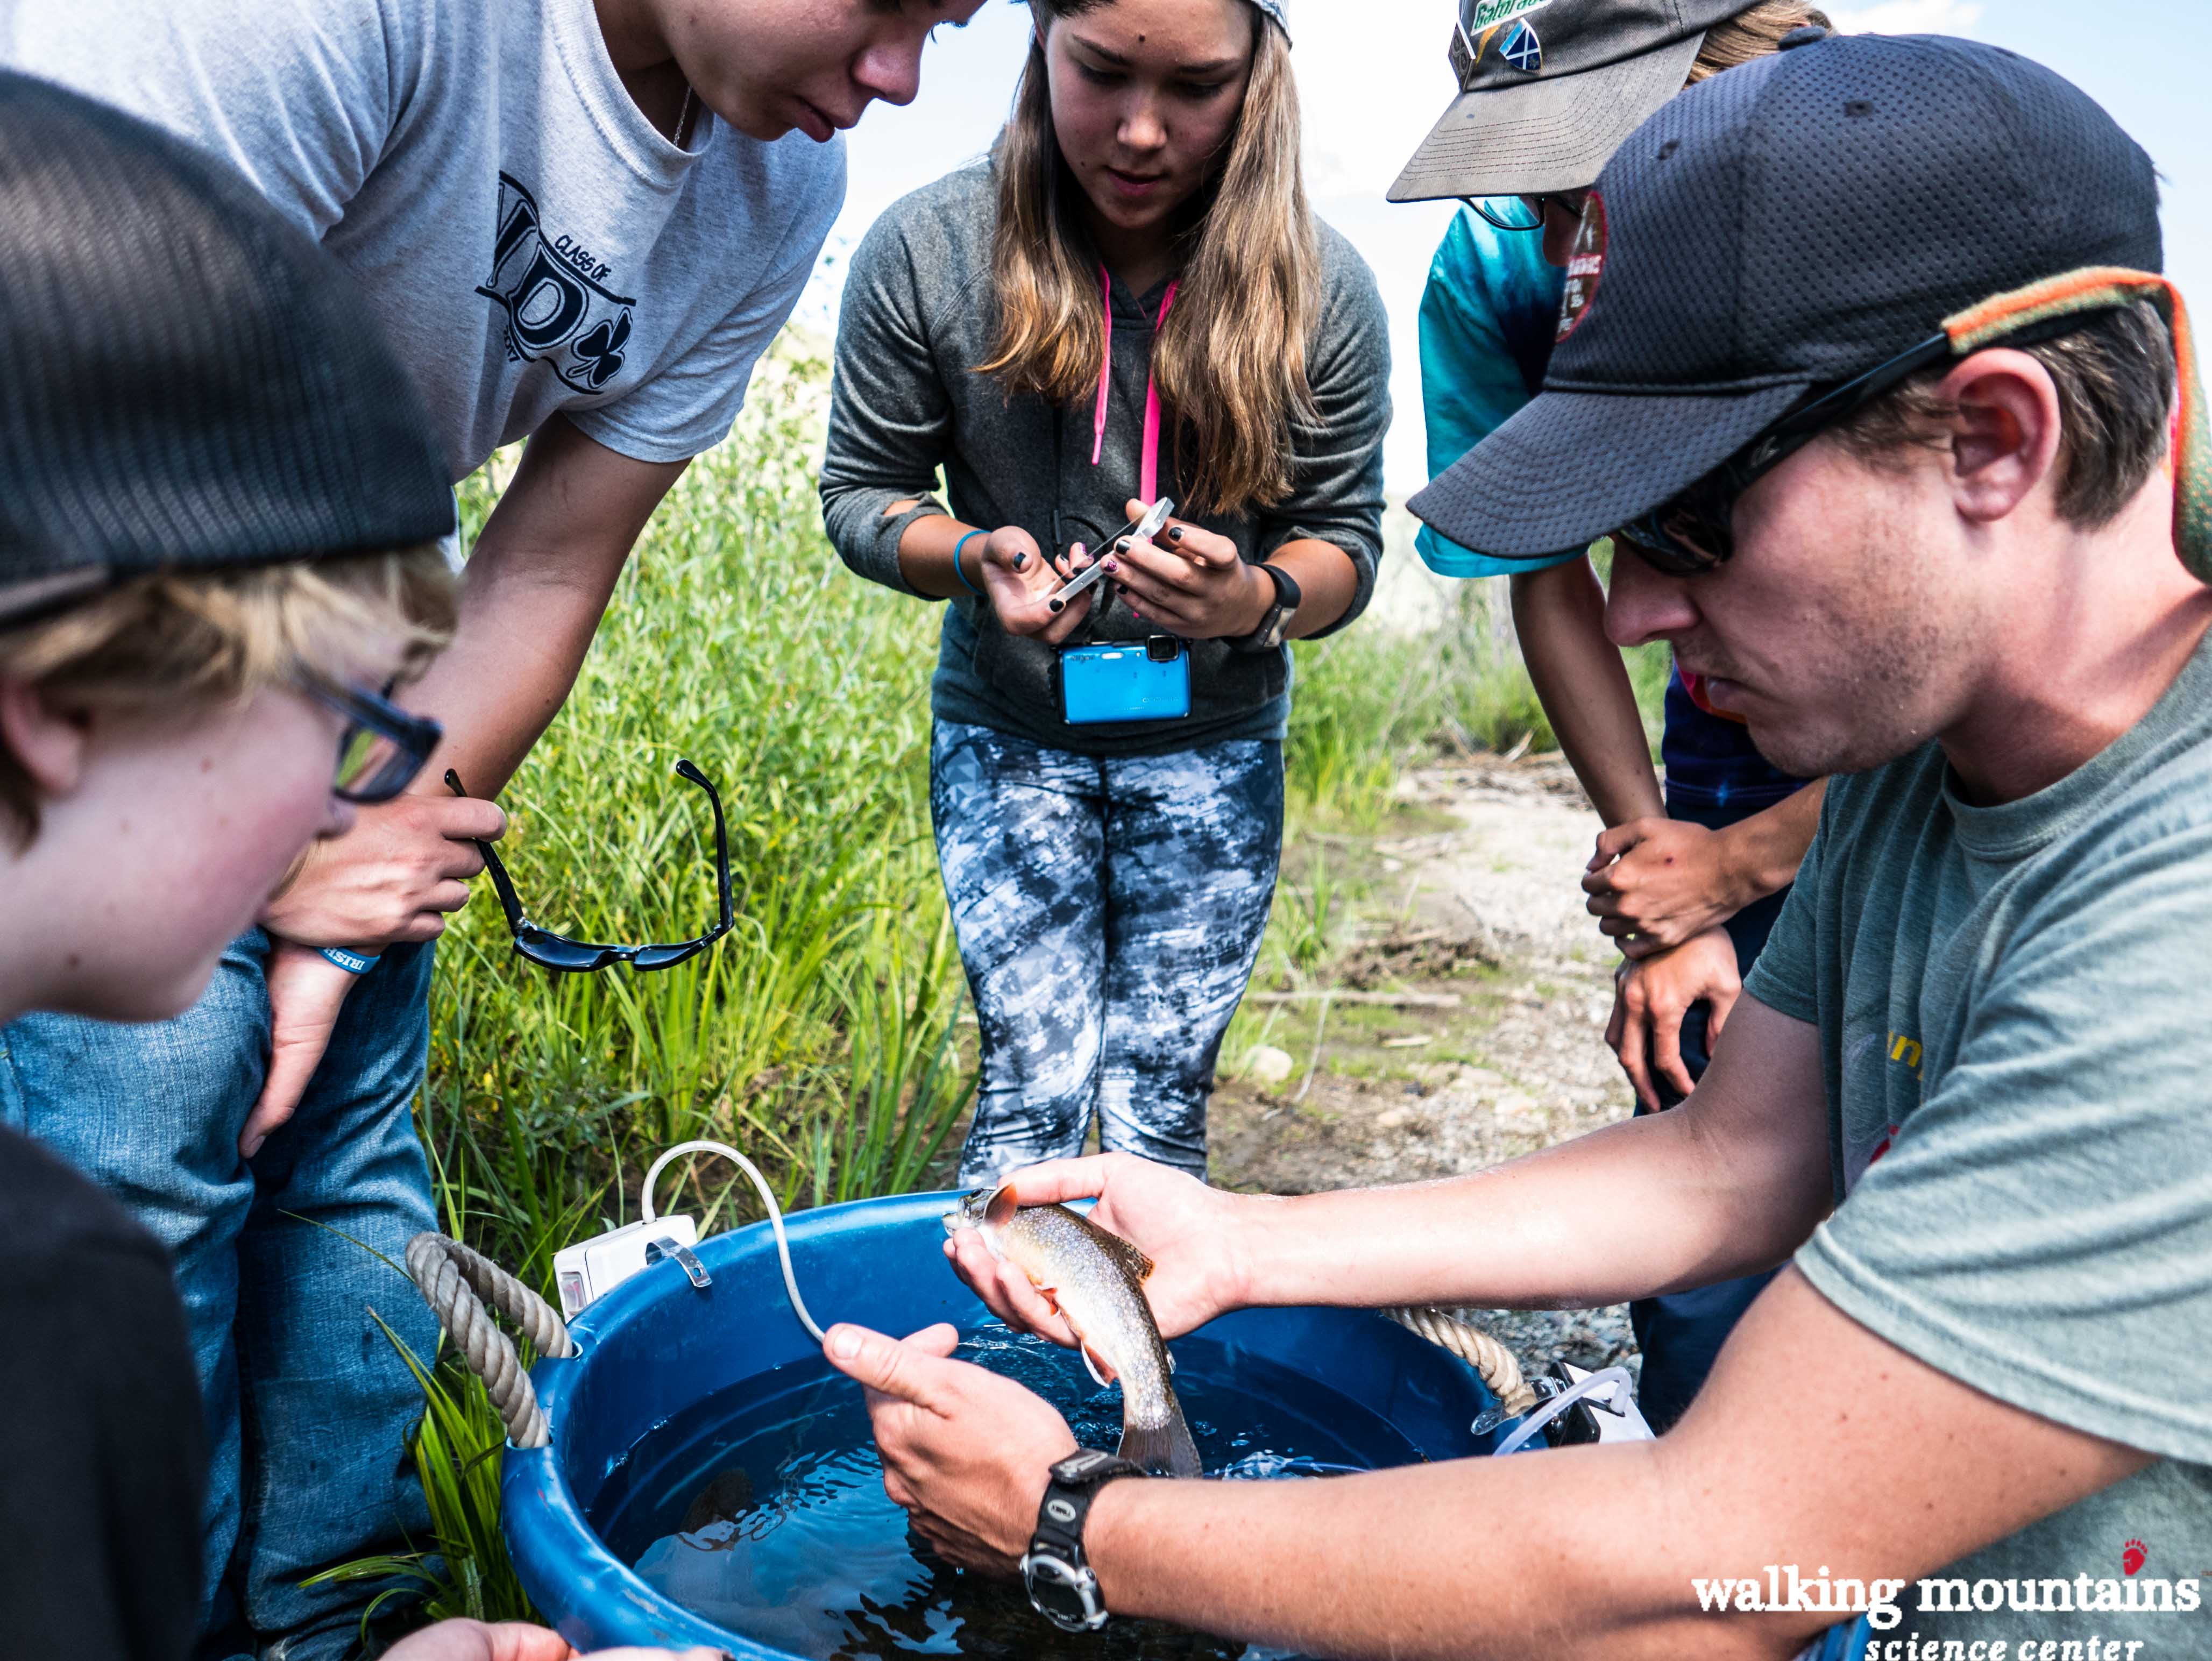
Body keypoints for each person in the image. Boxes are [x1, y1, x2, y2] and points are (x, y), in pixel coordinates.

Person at [828, 33, 2212, 1657]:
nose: (1633, 612)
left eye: (1695, 525)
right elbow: (1736, 1159)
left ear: (1992, 439)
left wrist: (1083, 1526)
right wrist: (1243, 1243)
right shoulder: (1935, 760)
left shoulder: (2173, 929)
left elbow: (1714, 1549)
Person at [0, 0, 978, 1649]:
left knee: (352, 1185)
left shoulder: (769, 190)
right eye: (885, 0)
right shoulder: (347, 24)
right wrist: (262, 855)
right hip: (124, 676)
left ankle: (339, 1626)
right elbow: (62, 428)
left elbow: (534, 569)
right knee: (141, 1169)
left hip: (339, 689)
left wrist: (360, 854)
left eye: (945, 24)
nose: (899, 79)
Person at [0, 72, 713, 1661]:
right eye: (335, 719)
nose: (380, 787)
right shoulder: (54, 1294)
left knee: (339, 1184)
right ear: (60, 705)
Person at [819, 0, 1389, 1183]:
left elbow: (1344, 541)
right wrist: (972, 556)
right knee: (1030, 1091)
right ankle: (995, 1361)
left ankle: (1144, 1365)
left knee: (1159, 1114)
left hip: (1217, 746)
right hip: (1007, 735)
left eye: (1194, 87)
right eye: (1101, 74)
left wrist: (1257, 600)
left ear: (1260, 79)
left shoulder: (1326, 292)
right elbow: (863, 494)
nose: (1139, 131)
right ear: (1037, 44)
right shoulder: (924, 252)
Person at [1391, 0, 1835, 1431]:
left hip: (1918, 719)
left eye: (1584, 151)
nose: (1545, 201)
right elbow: (1555, 579)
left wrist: (1752, 862)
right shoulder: (1507, 265)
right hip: (1731, 726)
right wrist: (1669, 869)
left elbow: (1991, 696)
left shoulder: (1873, 190)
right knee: (1714, 1092)